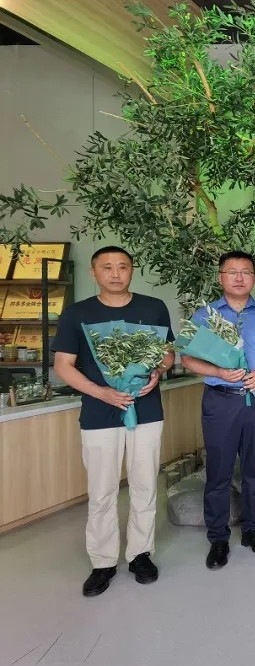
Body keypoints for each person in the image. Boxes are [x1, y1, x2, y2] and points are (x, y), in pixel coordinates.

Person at [52, 246, 175, 597]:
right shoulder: (77, 313)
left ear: (132, 270)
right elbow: (63, 366)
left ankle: (140, 554)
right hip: (99, 414)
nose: (116, 273)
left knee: (145, 485)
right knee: (102, 490)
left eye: (123, 266)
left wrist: (158, 371)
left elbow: (167, 352)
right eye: (107, 267)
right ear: (94, 273)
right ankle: (103, 561)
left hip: (146, 411)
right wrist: (101, 392)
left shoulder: (153, 307)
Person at [179, 251, 255, 570]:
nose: (239, 277)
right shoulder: (205, 315)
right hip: (220, 400)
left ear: (254, 277)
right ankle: (218, 537)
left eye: (246, 272)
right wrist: (220, 372)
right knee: (219, 471)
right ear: (220, 277)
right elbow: (187, 357)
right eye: (232, 272)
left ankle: (252, 530)